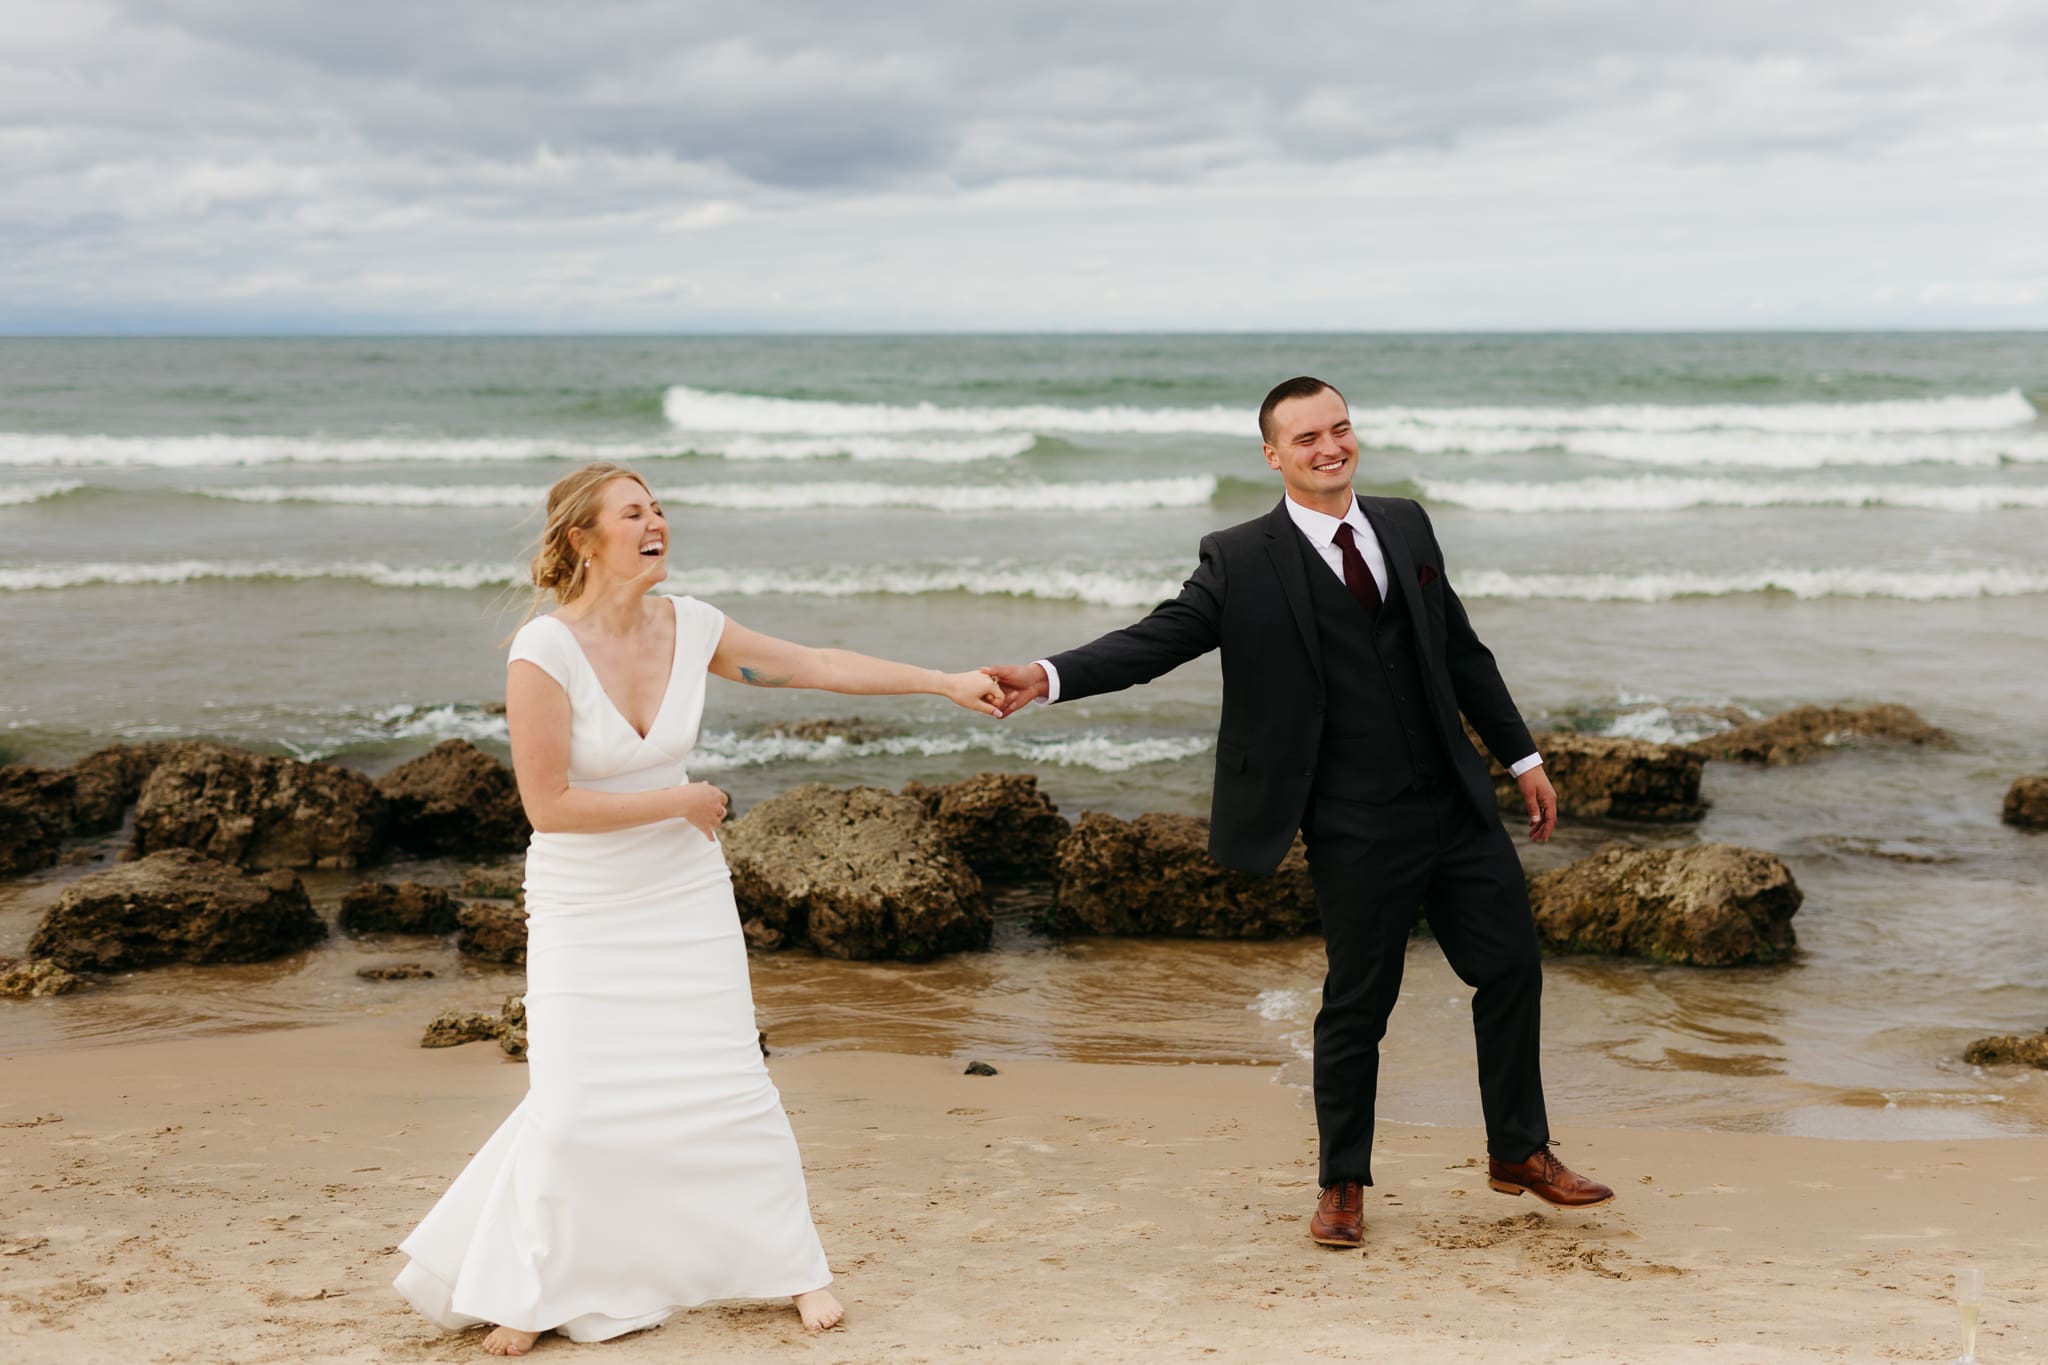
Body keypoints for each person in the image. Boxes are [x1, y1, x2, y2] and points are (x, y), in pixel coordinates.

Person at [984, 377, 1612, 1250]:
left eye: (1341, 428)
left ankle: (1520, 1150)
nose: (1330, 447)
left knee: (1511, 970)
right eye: (1307, 436)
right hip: (1352, 816)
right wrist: (1046, 676)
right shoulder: (1240, 559)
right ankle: (1342, 1183)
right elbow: (1154, 640)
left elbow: (1460, 649)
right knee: (1359, 1002)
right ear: (1273, 455)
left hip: (1456, 800)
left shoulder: (1406, 523)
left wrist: (1523, 755)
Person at [393, 462, 1004, 1355]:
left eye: (661, 509)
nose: (657, 524)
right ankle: (534, 1284)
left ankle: (794, 1268)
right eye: (634, 512)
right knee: (570, 1100)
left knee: (725, 1081)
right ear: (582, 538)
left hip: (682, 892)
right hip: (585, 900)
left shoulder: (693, 625)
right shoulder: (544, 653)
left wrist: (942, 680)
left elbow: (817, 665)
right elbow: (547, 805)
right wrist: (675, 801)